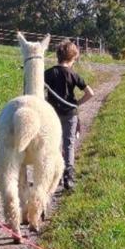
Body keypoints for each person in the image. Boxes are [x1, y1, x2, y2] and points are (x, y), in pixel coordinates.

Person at [44, 40, 94, 190]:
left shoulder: (48, 73)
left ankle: (55, 175)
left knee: (54, 144)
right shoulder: (74, 74)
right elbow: (90, 93)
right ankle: (68, 175)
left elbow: (38, 89)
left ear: (58, 56)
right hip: (70, 114)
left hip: (52, 115)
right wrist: (76, 103)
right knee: (69, 143)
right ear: (74, 57)